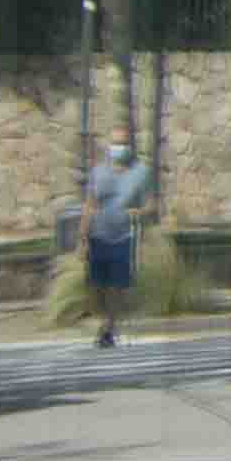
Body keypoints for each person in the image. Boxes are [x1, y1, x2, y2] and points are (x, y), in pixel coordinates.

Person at [80, 134, 151, 349]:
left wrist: (137, 212)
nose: (117, 148)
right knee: (97, 285)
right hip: (98, 235)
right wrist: (81, 236)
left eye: (122, 143)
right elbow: (90, 204)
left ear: (128, 148)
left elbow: (151, 204)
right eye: (115, 143)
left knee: (117, 286)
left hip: (123, 236)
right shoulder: (98, 172)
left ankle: (108, 327)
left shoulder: (140, 173)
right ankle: (106, 321)